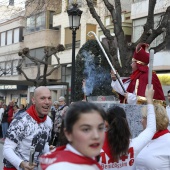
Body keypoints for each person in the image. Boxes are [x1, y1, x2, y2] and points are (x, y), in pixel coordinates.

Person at [99, 84, 156, 170]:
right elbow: (151, 128)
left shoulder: (93, 148)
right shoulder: (134, 145)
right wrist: (149, 100)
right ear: (125, 121)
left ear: (106, 123)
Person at [39, 101, 106, 170]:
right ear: (68, 133)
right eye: (86, 129)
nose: (96, 136)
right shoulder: (60, 167)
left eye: (100, 128)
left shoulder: (89, 161)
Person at [3, 86, 53, 170]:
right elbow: (7, 149)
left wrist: (49, 150)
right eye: (42, 98)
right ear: (33, 100)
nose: (47, 102)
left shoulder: (49, 121)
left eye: (49, 98)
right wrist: (21, 163)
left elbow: (41, 145)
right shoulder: (21, 121)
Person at [136, 104, 170, 169]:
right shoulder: (143, 138)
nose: (141, 121)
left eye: (144, 118)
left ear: (153, 120)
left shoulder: (168, 140)